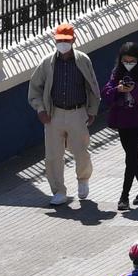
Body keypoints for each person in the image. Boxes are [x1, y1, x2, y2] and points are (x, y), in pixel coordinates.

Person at [28, 22, 99, 207]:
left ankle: (83, 179)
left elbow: (92, 86)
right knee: (53, 156)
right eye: (59, 40)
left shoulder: (83, 60)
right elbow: (35, 88)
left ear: (74, 39)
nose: (63, 43)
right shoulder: (47, 63)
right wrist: (41, 110)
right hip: (54, 114)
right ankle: (59, 191)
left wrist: (92, 111)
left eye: (66, 40)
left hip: (78, 112)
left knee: (81, 151)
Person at [101, 40, 138, 211]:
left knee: (130, 157)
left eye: (132, 61)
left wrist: (134, 90)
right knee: (132, 157)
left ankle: (124, 196)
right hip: (123, 121)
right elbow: (106, 94)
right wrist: (118, 90)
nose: (128, 64)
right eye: (125, 61)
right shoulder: (117, 73)